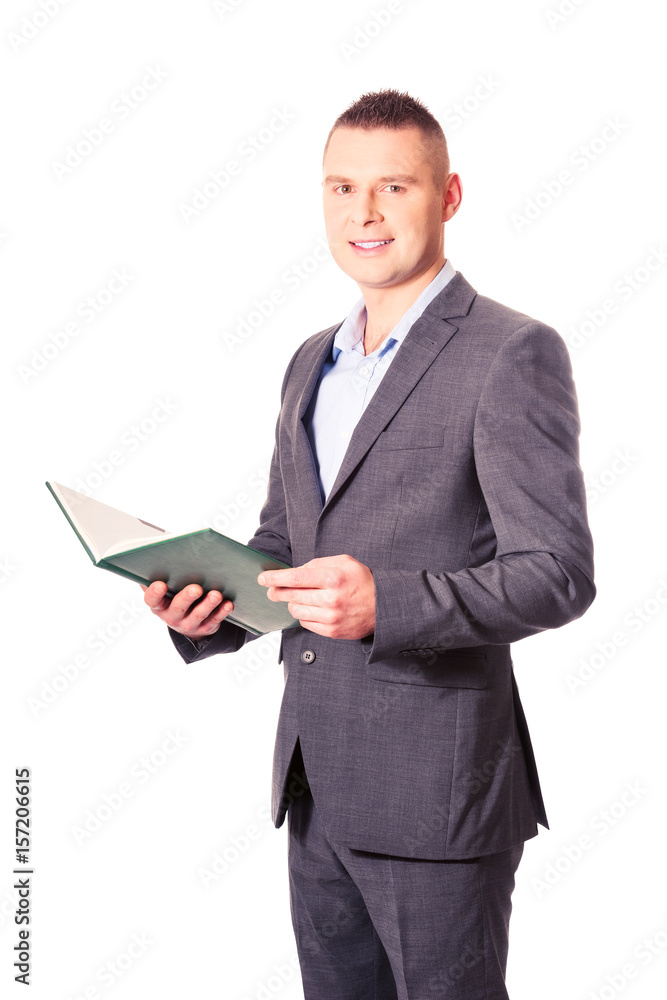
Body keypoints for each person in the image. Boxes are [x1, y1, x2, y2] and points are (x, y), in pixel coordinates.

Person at [143, 89, 596, 999]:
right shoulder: (310, 360)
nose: (365, 212)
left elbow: (557, 573)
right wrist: (208, 606)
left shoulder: (511, 351)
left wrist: (387, 602)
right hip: (314, 784)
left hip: (438, 794)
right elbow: (285, 543)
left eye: (394, 186)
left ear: (449, 196)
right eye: (342, 188)